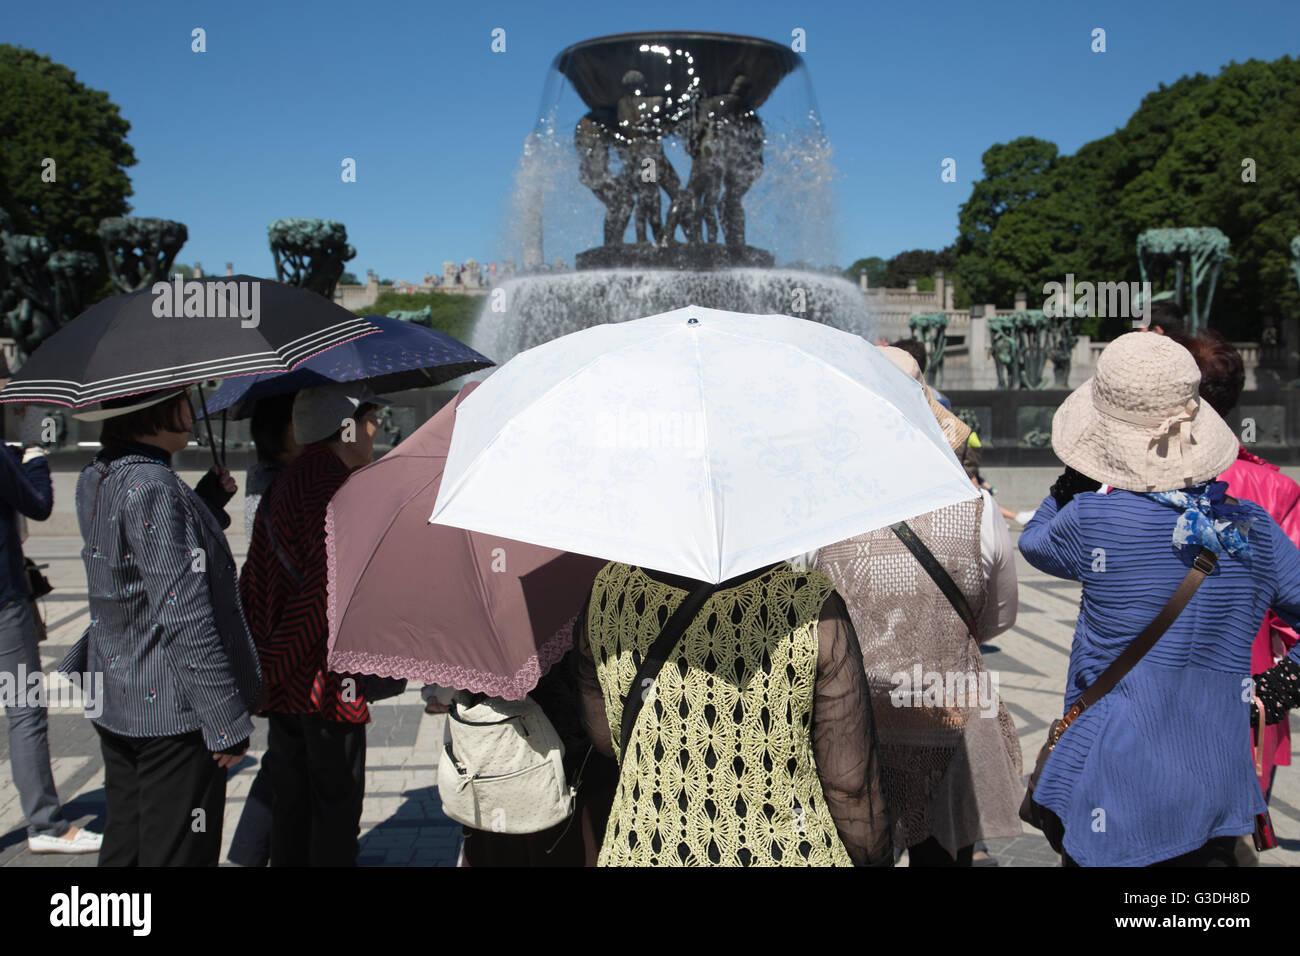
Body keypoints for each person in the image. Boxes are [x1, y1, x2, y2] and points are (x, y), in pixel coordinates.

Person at [1019, 332, 1300, 866]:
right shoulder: (1254, 529)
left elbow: (1035, 541)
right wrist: (1277, 686)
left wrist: (1073, 480)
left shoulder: (1093, 519)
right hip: (1215, 787)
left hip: (1115, 786)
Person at [813, 347, 1022, 866]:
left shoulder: (820, 515)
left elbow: (806, 621)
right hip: (950, 723)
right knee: (946, 859)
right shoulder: (979, 510)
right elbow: (998, 618)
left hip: (853, 728)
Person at [577, 560, 892, 866]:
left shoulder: (608, 588)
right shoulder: (810, 603)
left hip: (646, 846)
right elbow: (850, 787)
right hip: (787, 849)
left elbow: (606, 736)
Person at [73, 388, 259, 866]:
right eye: (182, 400)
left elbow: (132, 564)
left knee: (128, 843)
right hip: (171, 707)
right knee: (177, 850)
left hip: (118, 694)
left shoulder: (98, 473)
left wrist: (204, 503)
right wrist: (225, 720)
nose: (192, 412)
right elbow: (183, 614)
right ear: (155, 409)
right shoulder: (153, 485)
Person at [239, 383, 389, 866]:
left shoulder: (284, 482)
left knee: (293, 807)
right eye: (370, 418)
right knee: (334, 810)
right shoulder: (336, 489)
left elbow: (251, 584)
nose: (376, 428)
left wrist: (267, 670)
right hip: (322, 686)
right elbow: (323, 599)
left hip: (287, 686)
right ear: (343, 428)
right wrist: (281, 665)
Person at [1184, 331, 1300, 810]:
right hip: (1248, 695)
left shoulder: (1134, 486)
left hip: (1145, 699)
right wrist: (1280, 686)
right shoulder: (1275, 489)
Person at [0, 401, 101, 854]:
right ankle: (44, 824)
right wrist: (36, 453)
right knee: (24, 708)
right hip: (3, 600)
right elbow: (38, 504)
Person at [226, 392, 304, 867]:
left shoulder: (266, 476)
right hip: (283, 641)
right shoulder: (285, 483)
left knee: (284, 757)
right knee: (285, 759)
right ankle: (252, 854)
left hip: (269, 634)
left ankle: (250, 853)